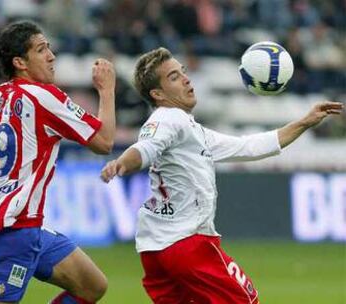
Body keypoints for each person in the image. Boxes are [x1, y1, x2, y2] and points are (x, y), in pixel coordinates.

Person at [100, 47, 343, 304]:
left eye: (182, 71)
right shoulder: (168, 119)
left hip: (155, 251)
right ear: (157, 94)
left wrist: (304, 122)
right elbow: (146, 148)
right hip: (187, 245)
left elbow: (249, 146)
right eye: (173, 77)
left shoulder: (191, 131)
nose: (186, 79)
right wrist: (123, 163)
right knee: (246, 300)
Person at [0, 21, 116, 304]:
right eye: (42, 50)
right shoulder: (45, 97)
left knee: (92, 285)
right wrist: (106, 90)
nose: (51, 56)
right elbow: (103, 142)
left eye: (49, 48)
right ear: (20, 62)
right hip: (13, 232)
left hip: (26, 228)